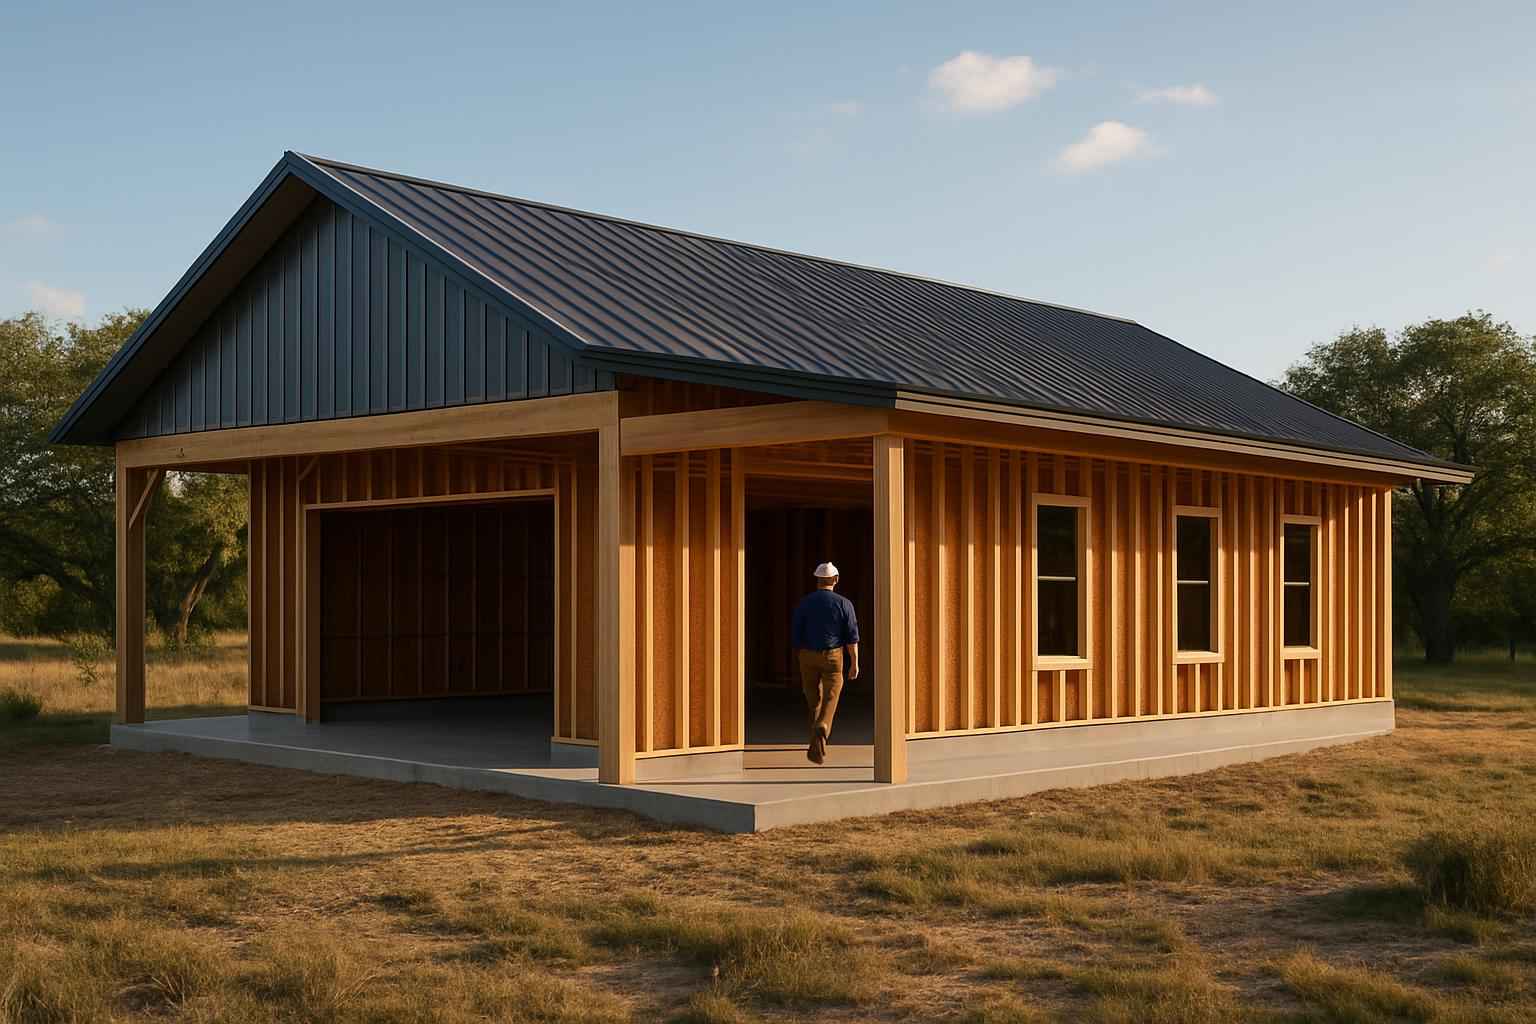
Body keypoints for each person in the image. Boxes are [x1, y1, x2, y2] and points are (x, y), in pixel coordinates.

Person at [791, 562, 859, 764]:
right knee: (832, 692)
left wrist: (801, 656)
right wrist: (854, 663)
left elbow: (796, 633)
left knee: (813, 699)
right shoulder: (844, 603)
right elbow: (852, 637)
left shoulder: (804, 603)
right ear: (835, 580)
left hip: (807, 654)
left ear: (817, 581)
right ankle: (824, 725)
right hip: (832, 656)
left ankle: (816, 747)